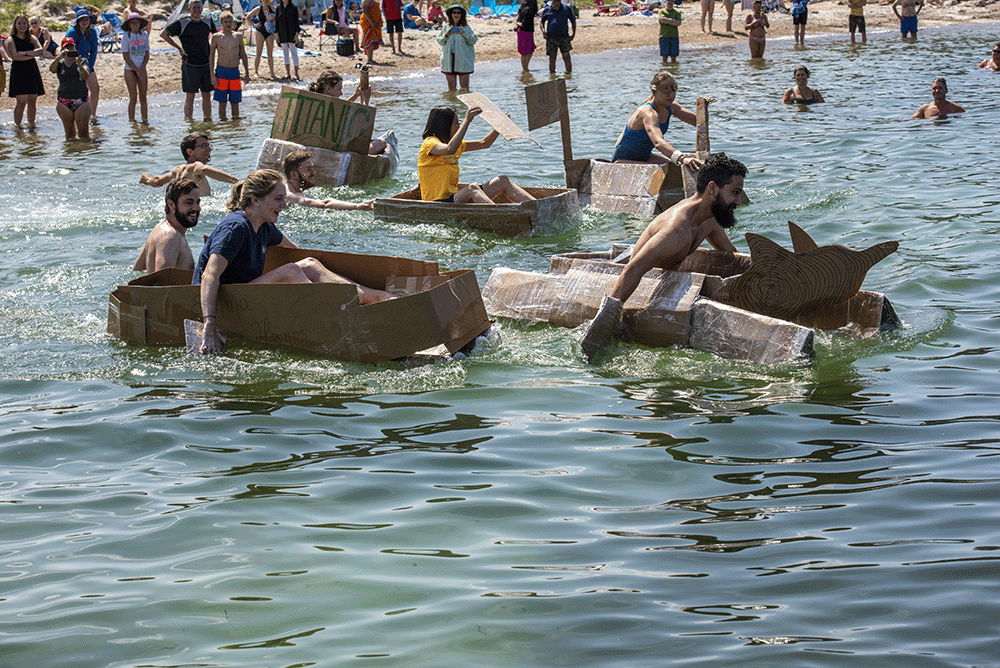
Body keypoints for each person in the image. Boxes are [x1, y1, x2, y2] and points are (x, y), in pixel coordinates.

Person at [193, 169, 396, 354]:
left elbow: (298, 253)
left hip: (245, 294)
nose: (284, 205)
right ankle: (337, 321)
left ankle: (375, 299)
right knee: (291, 271)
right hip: (220, 301)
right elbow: (209, 275)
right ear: (255, 200)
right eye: (278, 199)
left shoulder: (264, 226)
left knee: (308, 264)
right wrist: (209, 323)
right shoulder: (234, 228)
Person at [580, 153, 747, 361]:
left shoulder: (709, 221)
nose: (739, 201)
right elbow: (633, 269)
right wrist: (608, 320)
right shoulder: (676, 230)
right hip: (643, 289)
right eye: (735, 192)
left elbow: (733, 257)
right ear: (712, 188)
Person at [418, 105, 536, 204]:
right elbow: (450, 149)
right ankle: (501, 216)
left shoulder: (456, 145)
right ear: (445, 125)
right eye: (456, 124)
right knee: (472, 188)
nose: (458, 127)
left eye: (459, 123)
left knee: (502, 181)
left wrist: (500, 125)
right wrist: (467, 120)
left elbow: (485, 143)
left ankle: (540, 208)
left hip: (455, 198)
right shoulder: (429, 142)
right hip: (437, 203)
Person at [612, 72, 705, 169]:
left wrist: (702, 107)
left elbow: (699, 123)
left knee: (676, 167)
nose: (671, 94)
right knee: (676, 167)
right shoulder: (648, 113)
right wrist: (682, 159)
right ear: (654, 91)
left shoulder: (671, 107)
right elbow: (658, 142)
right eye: (665, 90)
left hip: (644, 157)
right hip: (622, 160)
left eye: (673, 88)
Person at [161, 0, 217, 121]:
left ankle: (208, 121)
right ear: (189, 9)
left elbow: (216, 36)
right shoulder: (182, 22)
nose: (196, 10)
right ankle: (189, 121)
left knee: (206, 95)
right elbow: (163, 34)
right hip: (189, 64)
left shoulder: (207, 21)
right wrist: (178, 48)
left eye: (198, 7)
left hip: (206, 63)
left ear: (202, 9)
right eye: (194, 7)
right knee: (190, 96)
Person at [133, 178, 201, 274]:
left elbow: (136, 272)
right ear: (171, 205)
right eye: (188, 203)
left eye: (198, 202)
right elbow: (163, 282)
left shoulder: (159, 229)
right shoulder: (170, 236)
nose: (197, 208)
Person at [140, 133, 240, 196]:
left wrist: (148, 180)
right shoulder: (195, 166)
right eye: (204, 146)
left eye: (209, 145)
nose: (210, 149)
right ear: (190, 152)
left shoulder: (177, 171)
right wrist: (238, 182)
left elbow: (158, 181)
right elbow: (204, 170)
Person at [281, 150, 374, 210]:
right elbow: (325, 204)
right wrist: (357, 206)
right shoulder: (291, 196)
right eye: (308, 169)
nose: (314, 172)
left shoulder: (284, 189)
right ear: (293, 174)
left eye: (312, 168)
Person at [5, 14, 45, 128]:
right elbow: (15, 56)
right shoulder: (11, 39)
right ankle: (18, 126)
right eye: (19, 23)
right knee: (21, 101)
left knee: (32, 100)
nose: (22, 26)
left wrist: (25, 53)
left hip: (31, 69)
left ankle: (31, 125)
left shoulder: (31, 38)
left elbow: (41, 51)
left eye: (24, 23)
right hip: (19, 71)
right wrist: (32, 54)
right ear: (15, 25)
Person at [210, 11, 250, 120]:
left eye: (230, 22)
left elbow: (243, 54)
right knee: (222, 102)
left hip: (234, 71)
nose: (228, 24)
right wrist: (212, 75)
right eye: (226, 22)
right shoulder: (216, 37)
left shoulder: (237, 36)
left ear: (233, 23)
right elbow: (211, 56)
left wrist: (247, 73)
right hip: (221, 71)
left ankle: (235, 124)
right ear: (221, 22)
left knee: (235, 101)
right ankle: (223, 122)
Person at [50, 38, 90, 139]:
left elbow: (86, 76)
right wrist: (59, 57)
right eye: (67, 47)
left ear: (75, 47)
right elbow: (52, 69)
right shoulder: (60, 63)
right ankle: (70, 153)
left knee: (83, 133)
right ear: (63, 49)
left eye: (71, 46)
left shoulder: (83, 60)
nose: (69, 49)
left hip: (81, 100)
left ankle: (85, 153)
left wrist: (79, 65)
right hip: (64, 101)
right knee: (69, 134)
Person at [65, 8, 101, 120]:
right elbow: (67, 49)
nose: (85, 22)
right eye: (82, 20)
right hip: (74, 63)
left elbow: (94, 51)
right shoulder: (72, 32)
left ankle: (92, 115)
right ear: (78, 21)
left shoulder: (93, 31)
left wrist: (89, 67)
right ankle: (77, 114)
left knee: (95, 89)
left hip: (88, 63)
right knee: (79, 91)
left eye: (87, 19)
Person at [438, 4, 477, 90]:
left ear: (461, 14)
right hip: (449, 60)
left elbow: (473, 40)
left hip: (463, 60)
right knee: (451, 90)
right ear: (451, 14)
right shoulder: (446, 27)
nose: (456, 14)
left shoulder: (466, 27)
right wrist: (446, 35)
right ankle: (452, 103)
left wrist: (463, 33)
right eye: (454, 12)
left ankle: (461, 104)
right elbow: (440, 41)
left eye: (458, 13)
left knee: (464, 89)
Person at [122, 12, 149, 123]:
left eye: (136, 22)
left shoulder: (144, 35)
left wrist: (142, 67)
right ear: (129, 24)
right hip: (130, 69)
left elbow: (147, 53)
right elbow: (125, 55)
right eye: (132, 23)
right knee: (133, 97)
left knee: (143, 96)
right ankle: (132, 121)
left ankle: (145, 120)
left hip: (142, 67)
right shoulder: (125, 37)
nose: (135, 25)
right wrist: (135, 69)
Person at [540, 0, 575, 74]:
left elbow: (573, 21)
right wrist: (543, 32)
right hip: (551, 38)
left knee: (566, 57)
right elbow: (542, 22)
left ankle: (569, 75)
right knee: (552, 58)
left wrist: (573, 34)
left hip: (564, 37)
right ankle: (552, 76)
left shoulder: (566, 9)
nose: (557, 1)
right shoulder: (547, 9)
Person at [245, 0, 277, 79]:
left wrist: (273, 18)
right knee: (258, 53)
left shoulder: (273, 8)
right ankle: (256, 72)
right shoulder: (258, 9)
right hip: (260, 30)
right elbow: (247, 17)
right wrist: (253, 25)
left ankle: (272, 73)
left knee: (270, 53)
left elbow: (280, 16)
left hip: (270, 31)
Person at [274, 0, 300, 81]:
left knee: (294, 52)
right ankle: (288, 73)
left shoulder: (293, 7)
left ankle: (296, 73)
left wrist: (296, 34)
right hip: (282, 33)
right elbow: (277, 23)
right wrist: (277, 36)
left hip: (291, 32)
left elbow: (296, 22)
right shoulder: (278, 8)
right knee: (285, 53)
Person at [360, 0, 384, 65]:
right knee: (369, 40)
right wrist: (372, 23)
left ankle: (371, 59)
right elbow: (365, 12)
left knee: (373, 41)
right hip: (369, 23)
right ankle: (369, 60)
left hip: (376, 23)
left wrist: (380, 20)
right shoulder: (365, 1)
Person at [516, 0, 537, 73]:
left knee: (524, 52)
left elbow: (519, 20)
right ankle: (525, 68)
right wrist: (519, 24)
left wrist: (517, 24)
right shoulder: (528, 10)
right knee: (529, 51)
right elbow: (524, 23)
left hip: (522, 31)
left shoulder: (523, 8)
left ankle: (525, 68)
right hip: (526, 31)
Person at [658, 0, 681, 65]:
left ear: (673, 2)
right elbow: (662, 20)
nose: (670, 2)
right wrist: (672, 20)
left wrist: (667, 21)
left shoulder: (677, 12)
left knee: (674, 58)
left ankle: (673, 71)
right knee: (664, 58)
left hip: (674, 36)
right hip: (664, 36)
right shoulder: (661, 11)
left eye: (671, 1)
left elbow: (678, 23)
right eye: (668, 1)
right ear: (666, 2)